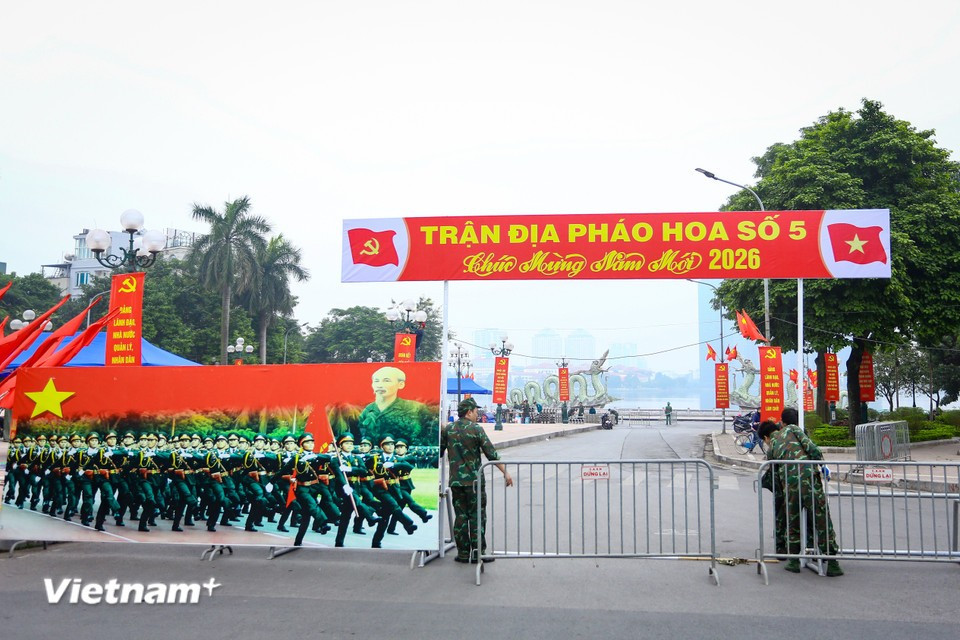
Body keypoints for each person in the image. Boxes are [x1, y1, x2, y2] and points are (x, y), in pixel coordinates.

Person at [758, 407, 843, 577]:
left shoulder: (771, 448)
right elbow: (811, 447)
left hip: (790, 485)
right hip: (809, 479)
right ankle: (832, 563)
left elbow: (773, 475)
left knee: (793, 521)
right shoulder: (792, 429)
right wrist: (821, 464)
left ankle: (794, 561)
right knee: (821, 519)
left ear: (766, 438)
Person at [440, 397, 514, 564]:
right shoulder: (476, 429)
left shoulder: (449, 430)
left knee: (460, 517)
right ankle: (478, 553)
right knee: (477, 517)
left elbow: (439, 452)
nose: (476, 414)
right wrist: (505, 472)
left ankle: (463, 553)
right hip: (474, 483)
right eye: (475, 411)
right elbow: (491, 454)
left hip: (456, 483)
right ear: (469, 412)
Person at [357, 366, 437, 447]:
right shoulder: (367, 410)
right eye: (376, 381)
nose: (379, 385)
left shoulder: (415, 408)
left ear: (400, 384)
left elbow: (431, 436)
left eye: (386, 381)